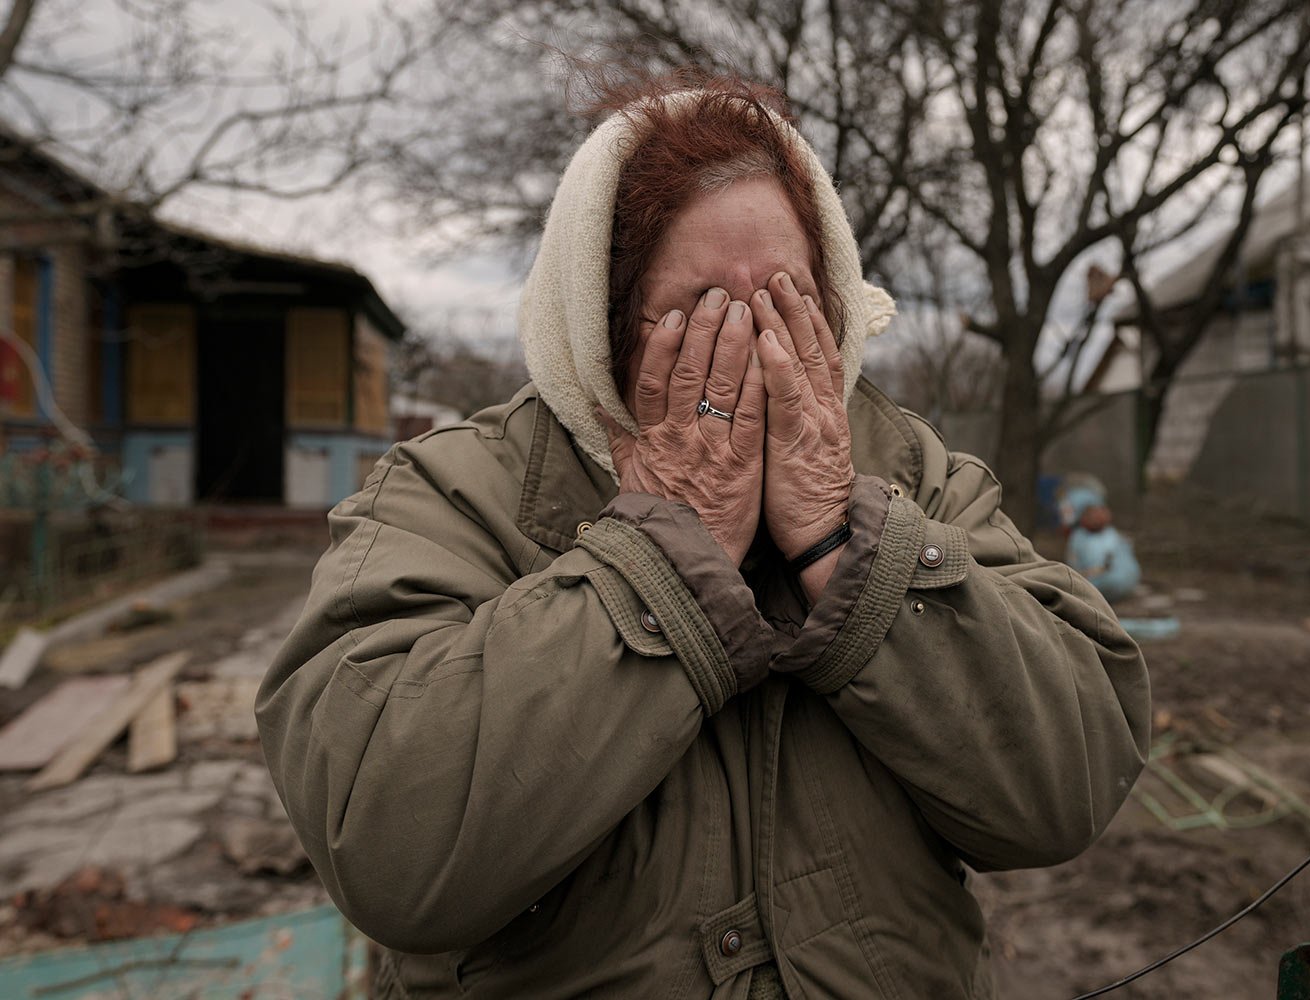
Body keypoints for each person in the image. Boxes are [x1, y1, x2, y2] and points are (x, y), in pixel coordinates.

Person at [257, 74, 1150, 1000]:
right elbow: (390, 848)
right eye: (698, 317)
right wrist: (662, 560)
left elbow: (1067, 785)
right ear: (601, 330)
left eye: (786, 305)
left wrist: (847, 550)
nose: (756, 352)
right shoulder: (454, 493)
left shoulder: (913, 470)